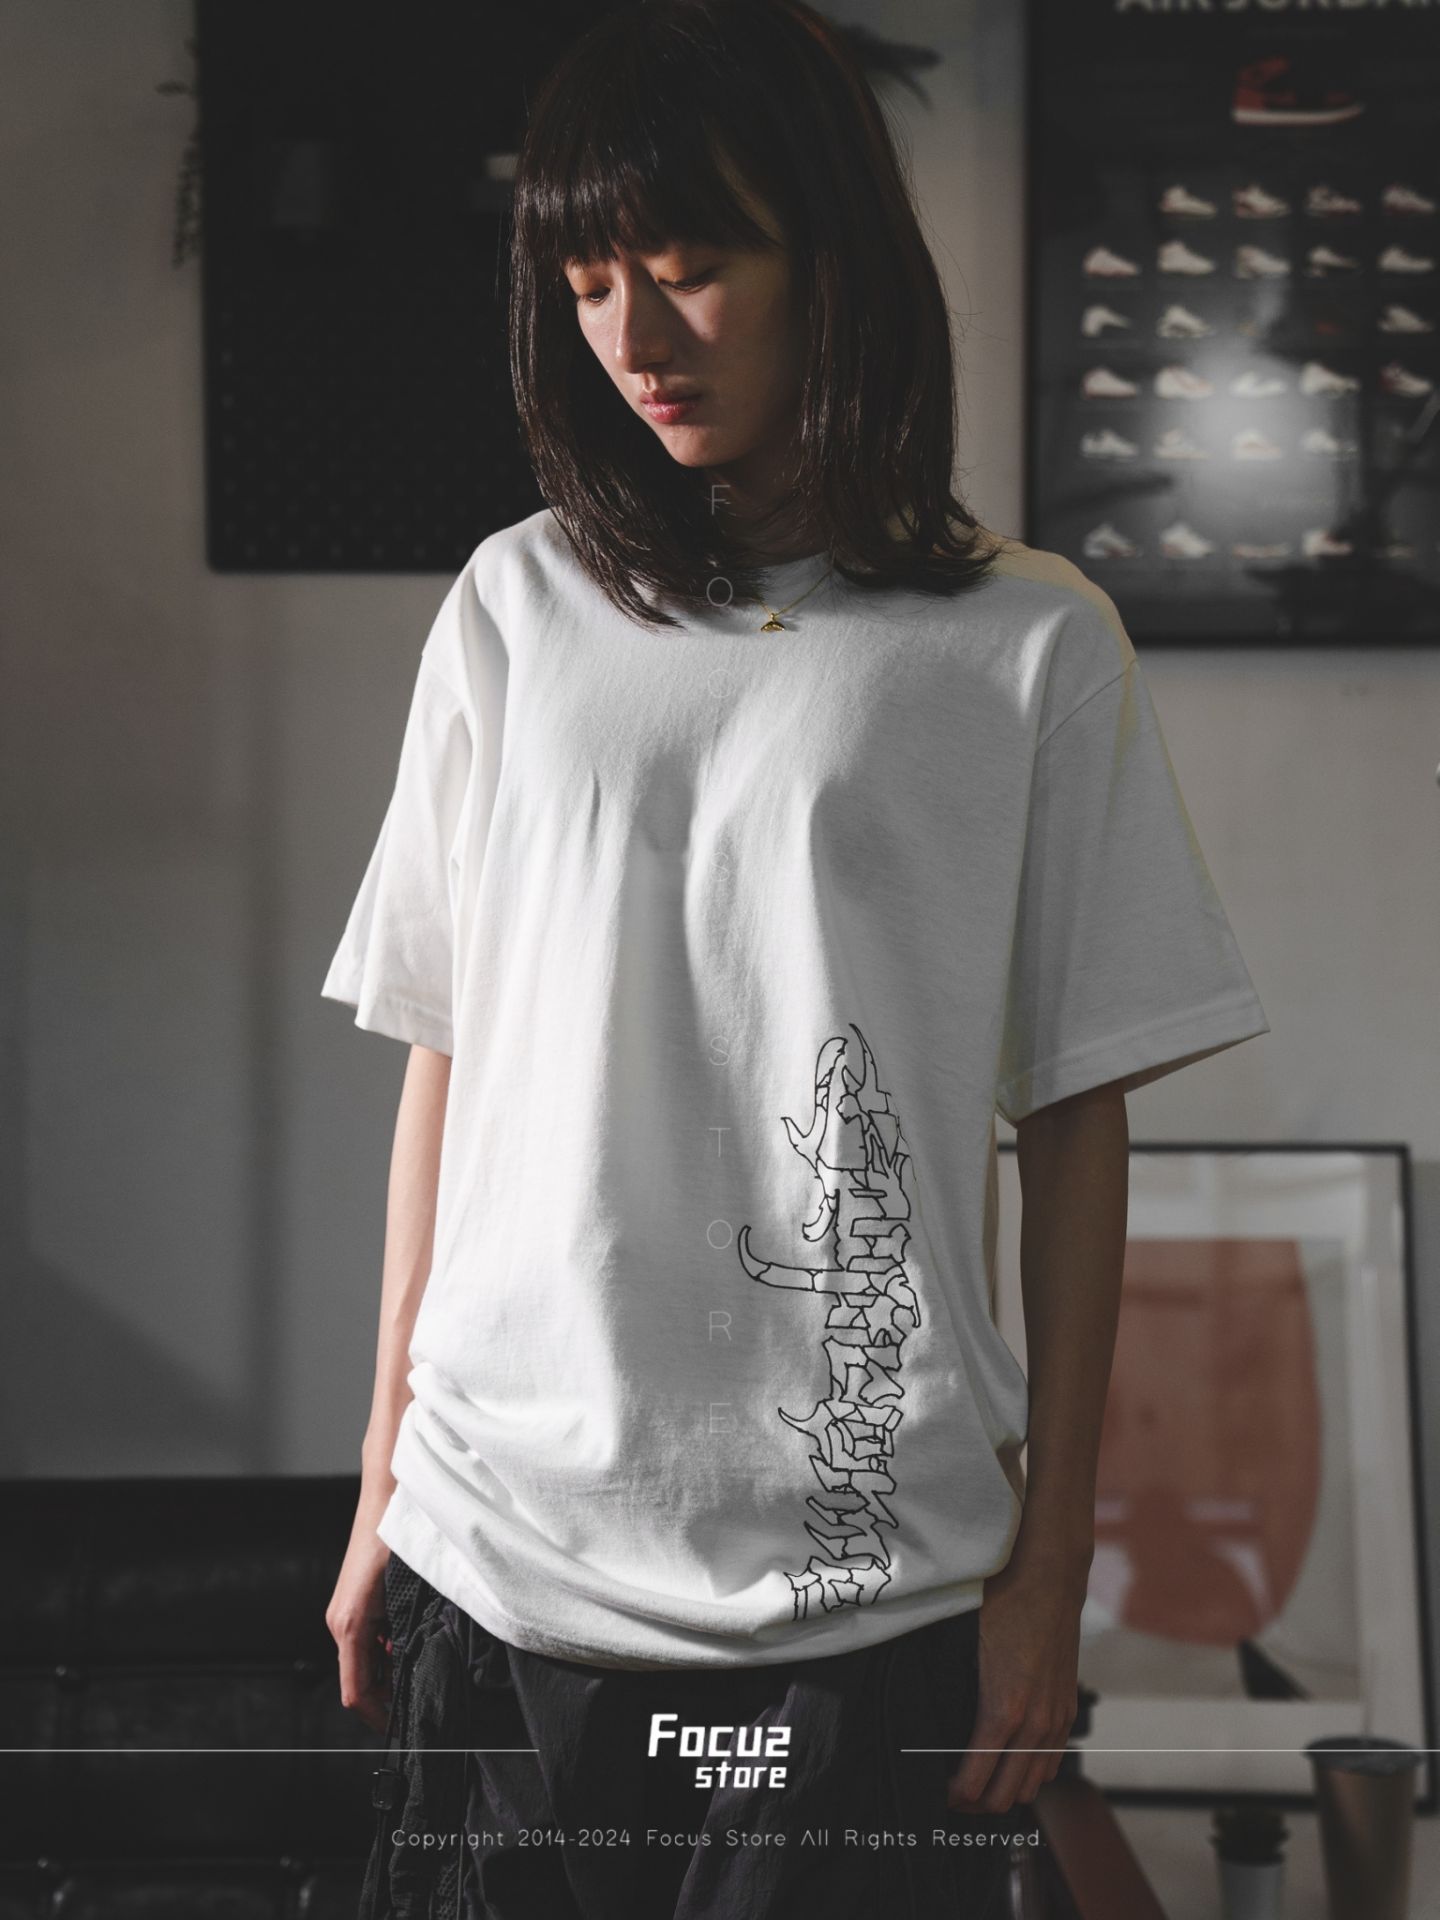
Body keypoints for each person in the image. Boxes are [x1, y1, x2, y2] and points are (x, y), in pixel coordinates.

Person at [320, 3, 1270, 1916]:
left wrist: (1048, 1569)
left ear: (831, 259)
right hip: (505, 1554)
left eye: (688, 268)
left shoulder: (1028, 642)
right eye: (587, 284)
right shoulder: (514, 604)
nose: (633, 338)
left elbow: (1077, 1124)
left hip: (870, 1592)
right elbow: (447, 1053)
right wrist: (378, 1486)